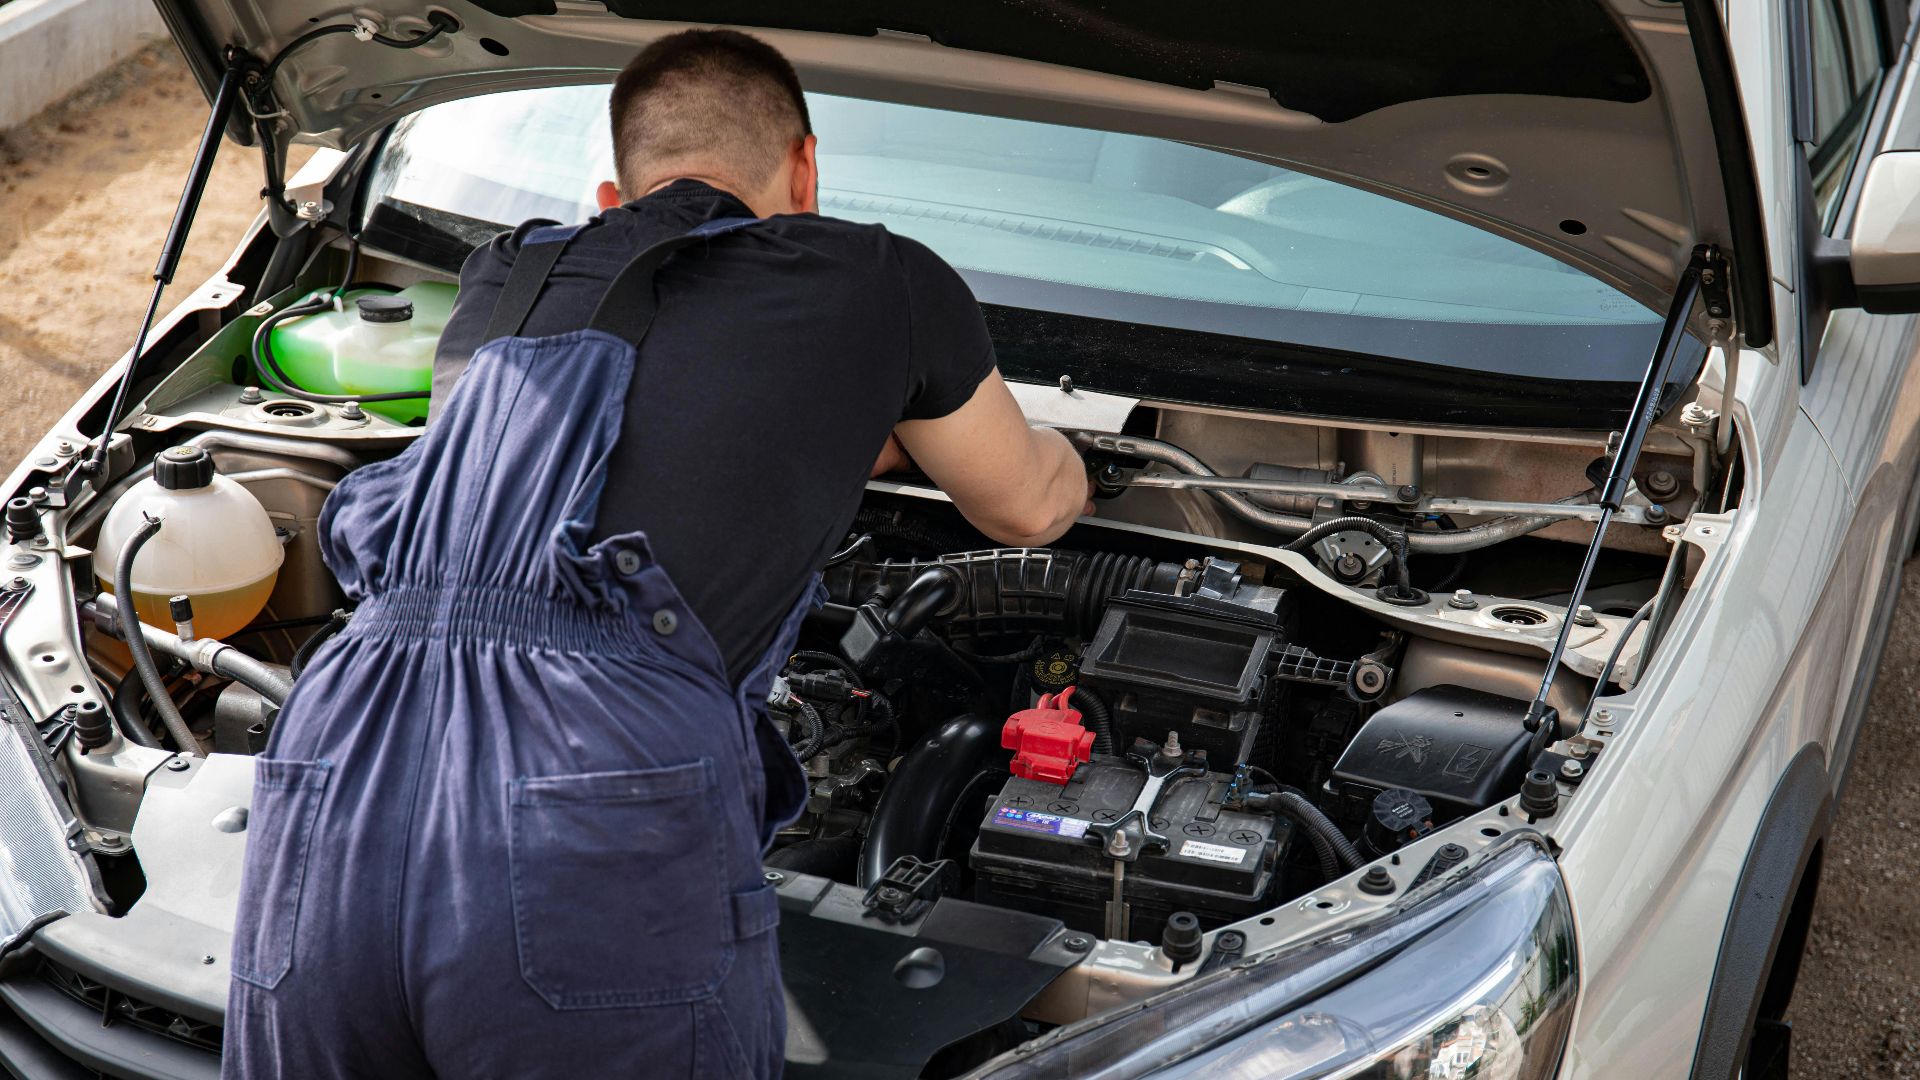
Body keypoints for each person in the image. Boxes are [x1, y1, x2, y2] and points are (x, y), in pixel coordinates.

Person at [223, 28, 1091, 1080]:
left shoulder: (509, 274)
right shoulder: (875, 277)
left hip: (336, 756)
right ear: (805, 169)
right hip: (586, 781)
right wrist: (1077, 462)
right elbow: (1023, 509)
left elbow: (577, 456)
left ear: (612, 199)